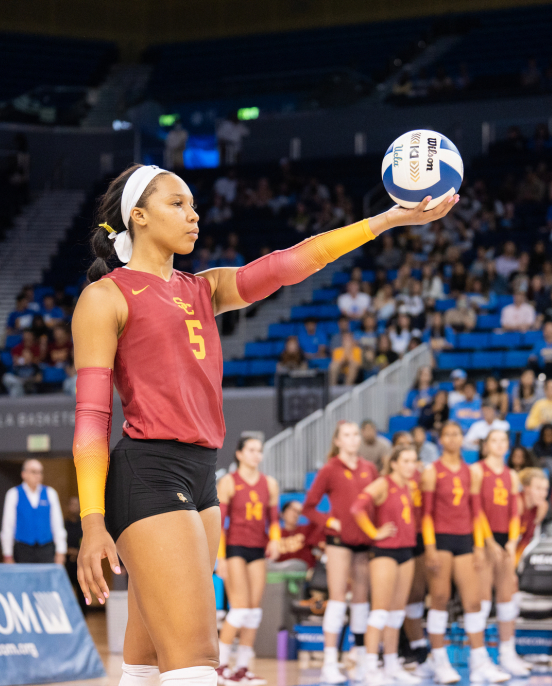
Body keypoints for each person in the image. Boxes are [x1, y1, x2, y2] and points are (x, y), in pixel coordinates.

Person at [70, 164, 454, 686]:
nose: (193, 214)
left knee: (145, 670)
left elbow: (289, 264)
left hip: (201, 475)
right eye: (177, 204)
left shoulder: (202, 289)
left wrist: (387, 220)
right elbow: (93, 420)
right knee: (199, 665)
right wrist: (93, 522)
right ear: (137, 216)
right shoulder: (106, 297)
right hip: (149, 473)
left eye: (194, 205)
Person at [416, 422, 509, 684]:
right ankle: (439, 660)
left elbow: (476, 512)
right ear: (442, 439)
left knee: (474, 601)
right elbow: (426, 515)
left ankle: (479, 660)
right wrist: (430, 547)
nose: (453, 439)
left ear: (462, 439)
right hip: (441, 540)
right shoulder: (432, 472)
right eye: (448, 434)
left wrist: (480, 545)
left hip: (466, 539)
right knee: (440, 598)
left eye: (457, 434)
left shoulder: (471, 473)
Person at [303, 423, 378, 683]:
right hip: (338, 541)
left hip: (363, 542)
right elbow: (309, 507)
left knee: (360, 600)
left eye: (356, 434)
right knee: (337, 599)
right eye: (347, 435)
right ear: (337, 440)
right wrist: (328, 522)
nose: (353, 438)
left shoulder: (370, 468)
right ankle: (330, 661)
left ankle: (357, 656)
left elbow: (377, 503)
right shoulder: (330, 469)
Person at [350, 446, 424, 686]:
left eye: (414, 461)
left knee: (396, 614)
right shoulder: (383, 483)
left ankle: (391, 666)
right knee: (380, 612)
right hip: (385, 552)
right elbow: (356, 508)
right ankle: (370, 668)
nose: (411, 465)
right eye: (406, 461)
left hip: (406, 550)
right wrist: (374, 532)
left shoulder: (409, 486)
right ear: (394, 463)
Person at [215, 437, 280, 686]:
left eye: (259, 451)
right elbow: (220, 524)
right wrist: (220, 558)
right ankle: (220, 666)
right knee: (240, 607)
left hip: (257, 549)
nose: (256, 455)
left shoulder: (270, 484)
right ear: (240, 454)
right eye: (251, 450)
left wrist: (275, 540)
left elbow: (273, 520)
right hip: (235, 549)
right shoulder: (229, 482)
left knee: (253, 611)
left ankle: (242, 668)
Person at [474, 429, 531, 676]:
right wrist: (488, 541)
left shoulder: (511, 475)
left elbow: (515, 512)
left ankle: (508, 653)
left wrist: (512, 540)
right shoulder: (477, 470)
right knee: (483, 600)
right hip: (482, 540)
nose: (498, 444)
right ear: (486, 445)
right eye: (493, 440)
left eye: (502, 440)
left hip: (506, 540)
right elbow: (476, 509)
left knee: (507, 599)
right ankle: (480, 659)